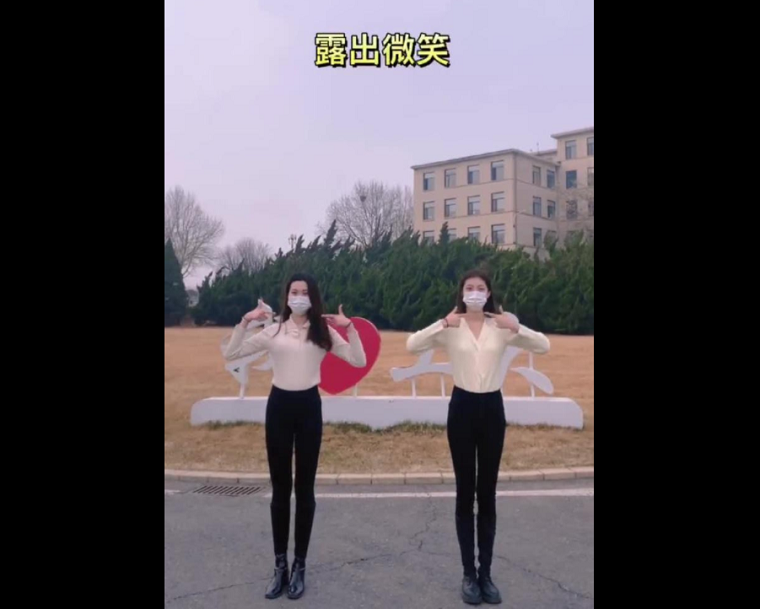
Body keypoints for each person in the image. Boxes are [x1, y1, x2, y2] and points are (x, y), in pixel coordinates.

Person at [406, 269, 550, 605]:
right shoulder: (451, 327)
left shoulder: (499, 327)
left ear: (488, 293)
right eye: (469, 288)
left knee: (486, 493)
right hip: (462, 408)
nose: (474, 293)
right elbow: (412, 345)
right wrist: (442, 322)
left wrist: (516, 326)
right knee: (464, 492)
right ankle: (468, 573)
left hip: (492, 409)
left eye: (480, 288)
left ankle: (486, 573)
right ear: (461, 293)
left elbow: (543, 346)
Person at [224, 273, 366, 600]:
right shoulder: (273, 331)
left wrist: (350, 328)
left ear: (312, 298)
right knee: (280, 489)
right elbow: (232, 353)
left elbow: (357, 360)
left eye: (304, 292)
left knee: (304, 489)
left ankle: (300, 564)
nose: (298, 297)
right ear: (287, 296)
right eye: (294, 292)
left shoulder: (323, 332)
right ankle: (280, 566)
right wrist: (246, 321)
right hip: (279, 407)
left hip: (308, 408)